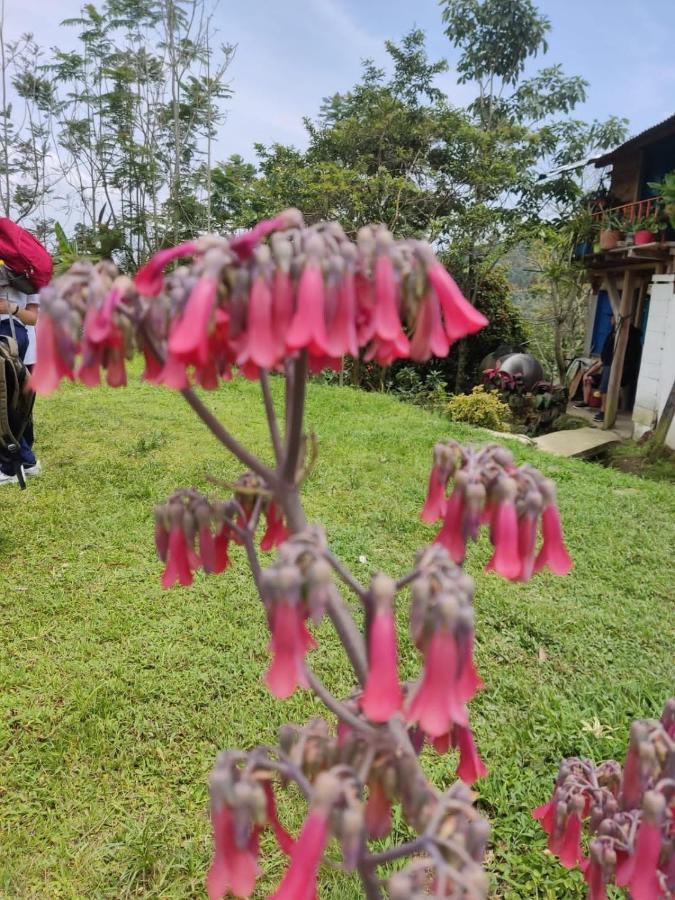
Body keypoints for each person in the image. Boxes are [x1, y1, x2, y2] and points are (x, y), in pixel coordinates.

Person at [0, 269, 41, 483]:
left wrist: (11, 308)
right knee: (8, 408)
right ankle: (24, 460)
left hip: (23, 350)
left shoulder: (31, 275)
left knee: (20, 408)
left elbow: (32, 318)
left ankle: (18, 463)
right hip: (14, 344)